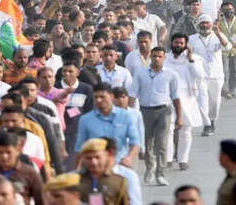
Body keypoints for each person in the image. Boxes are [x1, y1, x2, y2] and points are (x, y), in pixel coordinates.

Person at [129, 47, 181, 186]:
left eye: (160, 56)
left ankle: (160, 173)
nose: (157, 59)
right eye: (154, 56)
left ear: (164, 58)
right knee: (147, 143)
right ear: (150, 57)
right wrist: (129, 114)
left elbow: (176, 97)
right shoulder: (140, 73)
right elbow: (132, 94)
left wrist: (179, 117)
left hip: (164, 111)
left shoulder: (171, 74)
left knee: (162, 144)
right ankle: (149, 167)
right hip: (146, 111)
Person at [73, 84, 140, 167]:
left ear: (111, 97)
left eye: (102, 97)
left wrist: (129, 157)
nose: (98, 100)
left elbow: (135, 141)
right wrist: (78, 170)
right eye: (96, 97)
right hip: (95, 166)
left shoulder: (125, 116)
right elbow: (80, 147)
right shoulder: (85, 119)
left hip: (120, 164)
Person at [165, 34, 205, 170]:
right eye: (176, 42)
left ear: (186, 45)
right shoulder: (165, 58)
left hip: (187, 98)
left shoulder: (194, 59)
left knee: (186, 130)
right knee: (168, 129)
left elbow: (200, 76)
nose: (178, 45)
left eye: (181, 43)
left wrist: (190, 58)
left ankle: (183, 159)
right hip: (168, 98)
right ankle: (168, 159)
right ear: (171, 43)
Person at [189, 15, 230, 136]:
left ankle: (212, 120)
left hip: (216, 74)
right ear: (198, 25)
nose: (204, 25)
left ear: (211, 24)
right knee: (202, 102)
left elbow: (228, 47)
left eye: (207, 23)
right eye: (202, 23)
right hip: (199, 76)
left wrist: (218, 34)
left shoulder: (218, 36)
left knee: (215, 102)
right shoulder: (192, 39)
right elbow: (187, 55)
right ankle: (207, 125)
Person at [0, 132, 46, 205]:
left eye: (8, 152)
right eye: (0, 152)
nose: (4, 156)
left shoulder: (29, 173)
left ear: (17, 150)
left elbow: (41, 200)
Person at [74, 138, 130, 205]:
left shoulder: (119, 182)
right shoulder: (73, 181)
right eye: (89, 158)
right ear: (82, 158)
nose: (93, 162)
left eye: (97, 157)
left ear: (106, 157)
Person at [217, 2, 236, 99]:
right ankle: (224, 90)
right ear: (222, 11)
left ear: (233, 10)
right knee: (224, 71)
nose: (229, 11)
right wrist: (218, 18)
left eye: (230, 9)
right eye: (226, 10)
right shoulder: (219, 21)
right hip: (223, 49)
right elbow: (215, 31)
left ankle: (232, 89)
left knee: (234, 71)